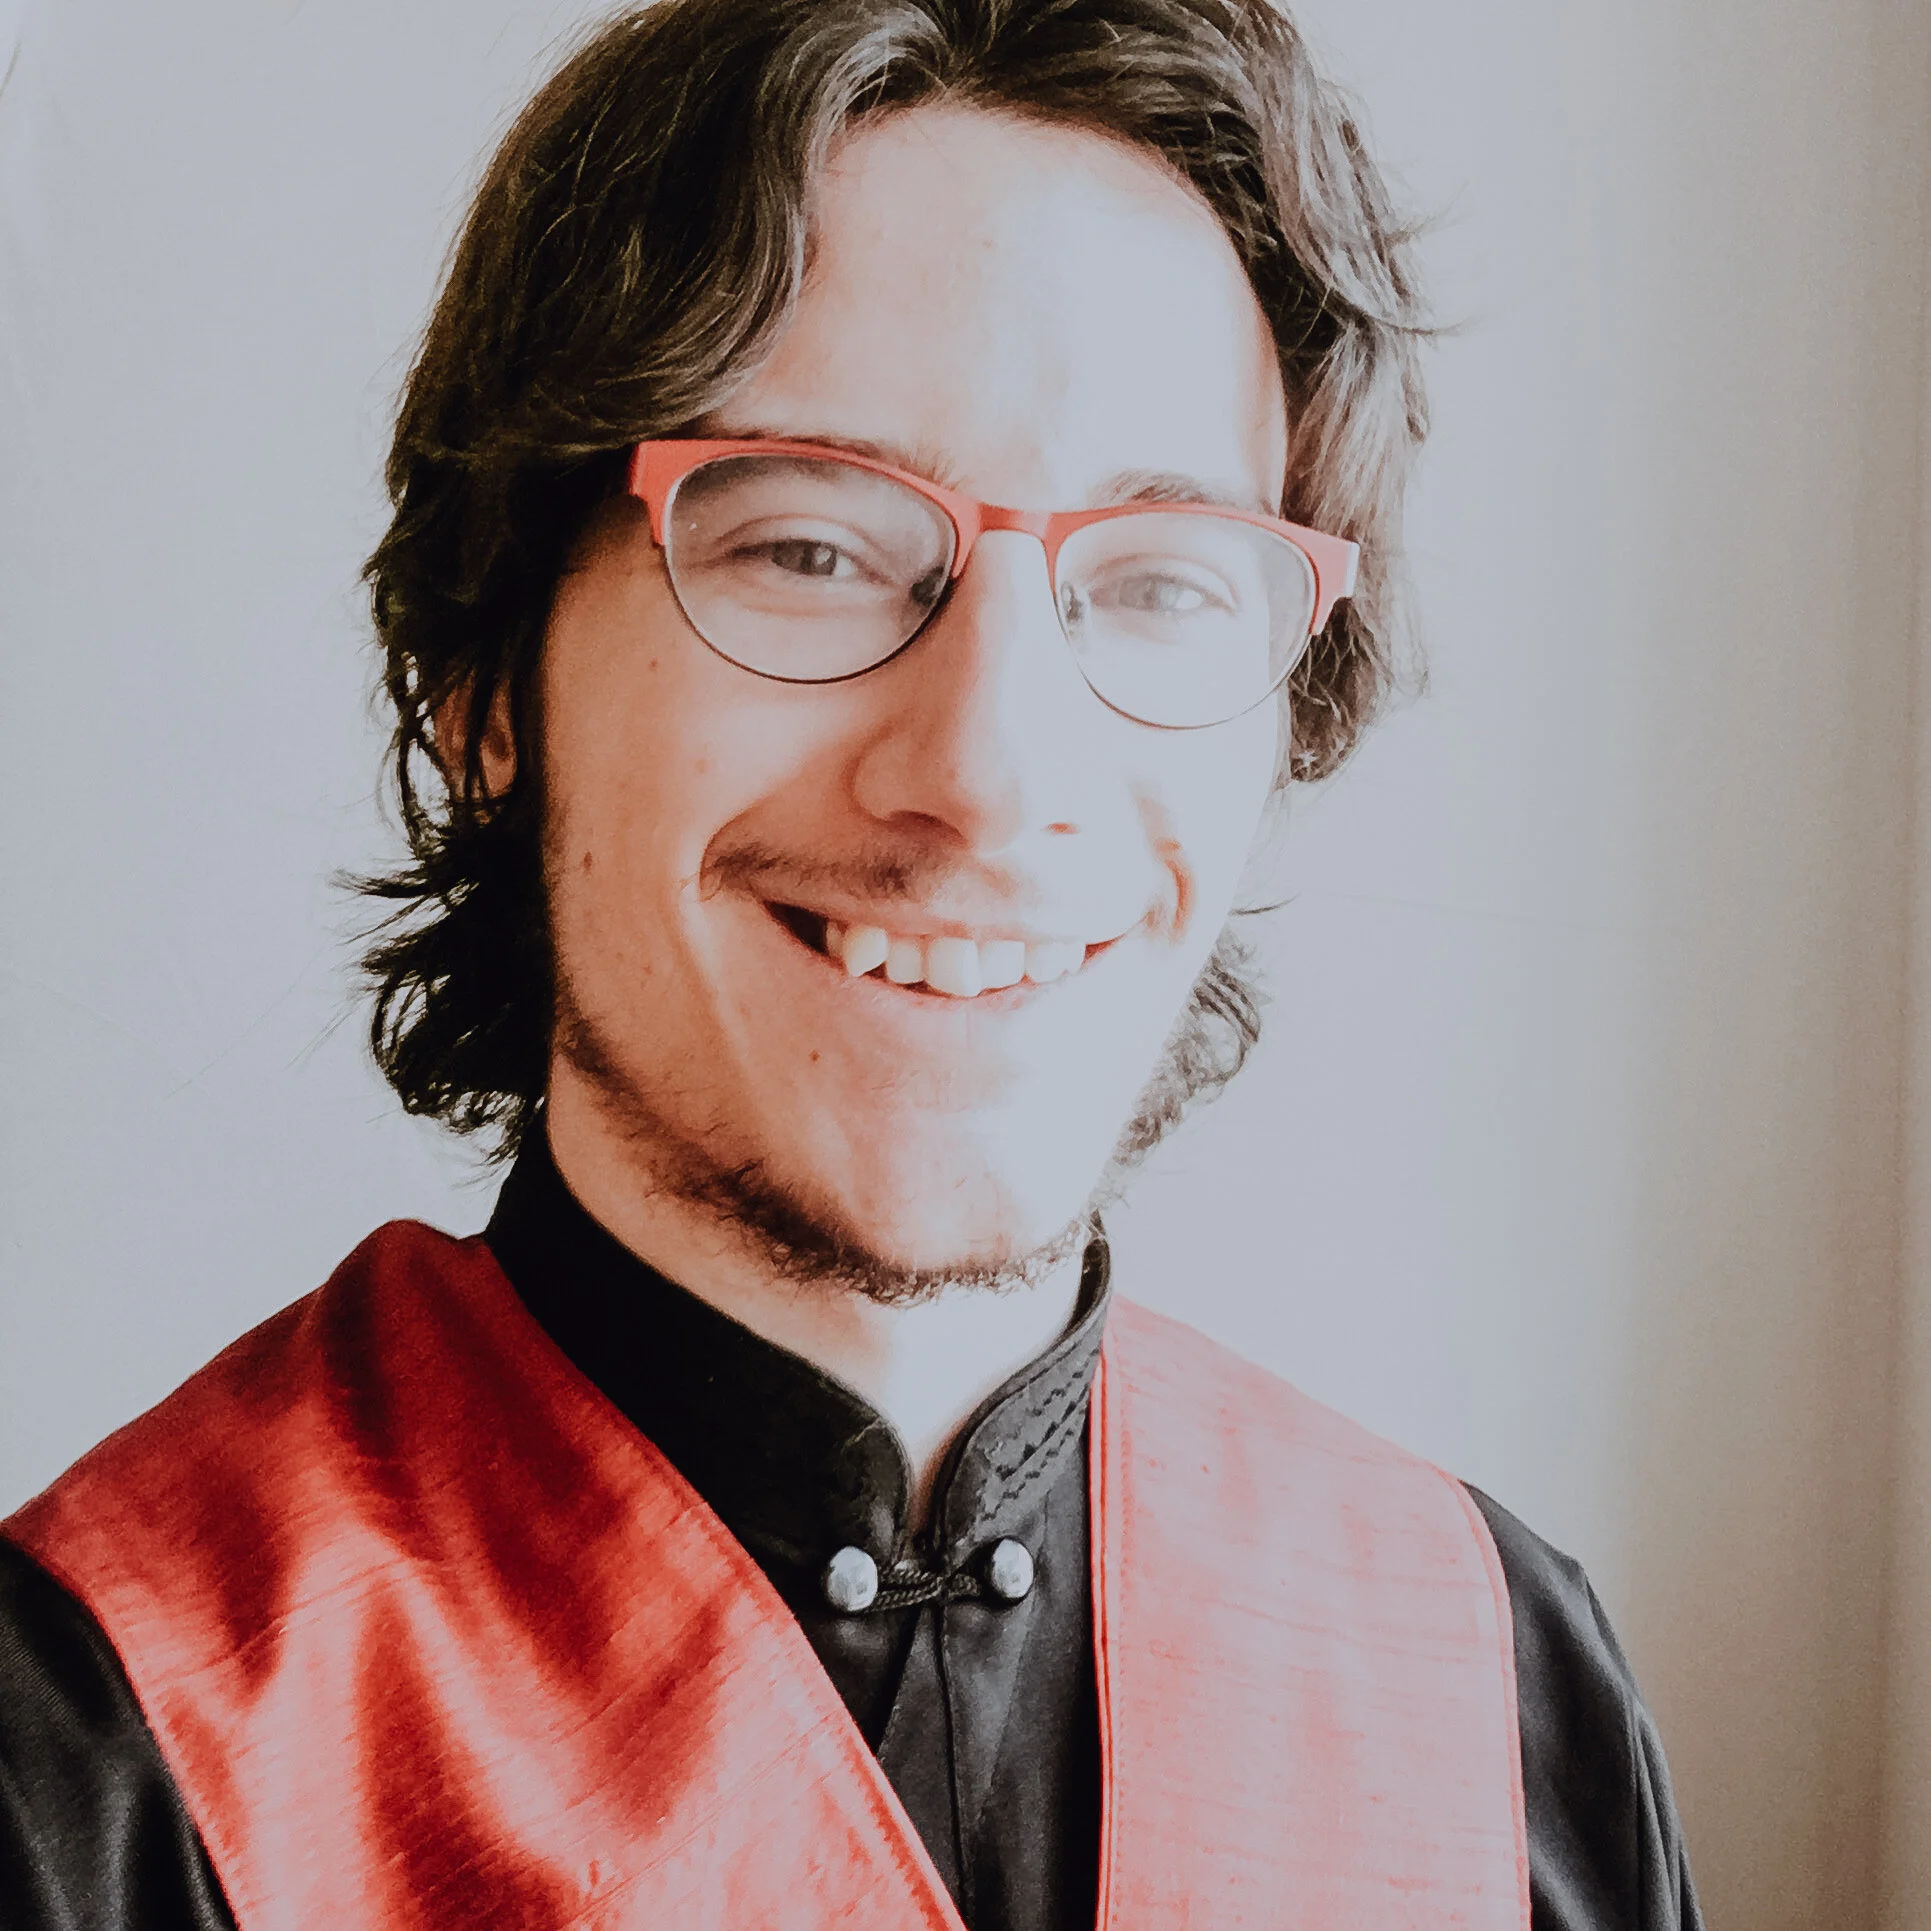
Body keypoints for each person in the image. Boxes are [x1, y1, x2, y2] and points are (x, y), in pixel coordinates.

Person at [0, 1, 1704, 1926]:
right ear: (484, 683)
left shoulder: (1501, 1682)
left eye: (1154, 581)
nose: (985, 777)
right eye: (807, 547)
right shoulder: (97, 1742)